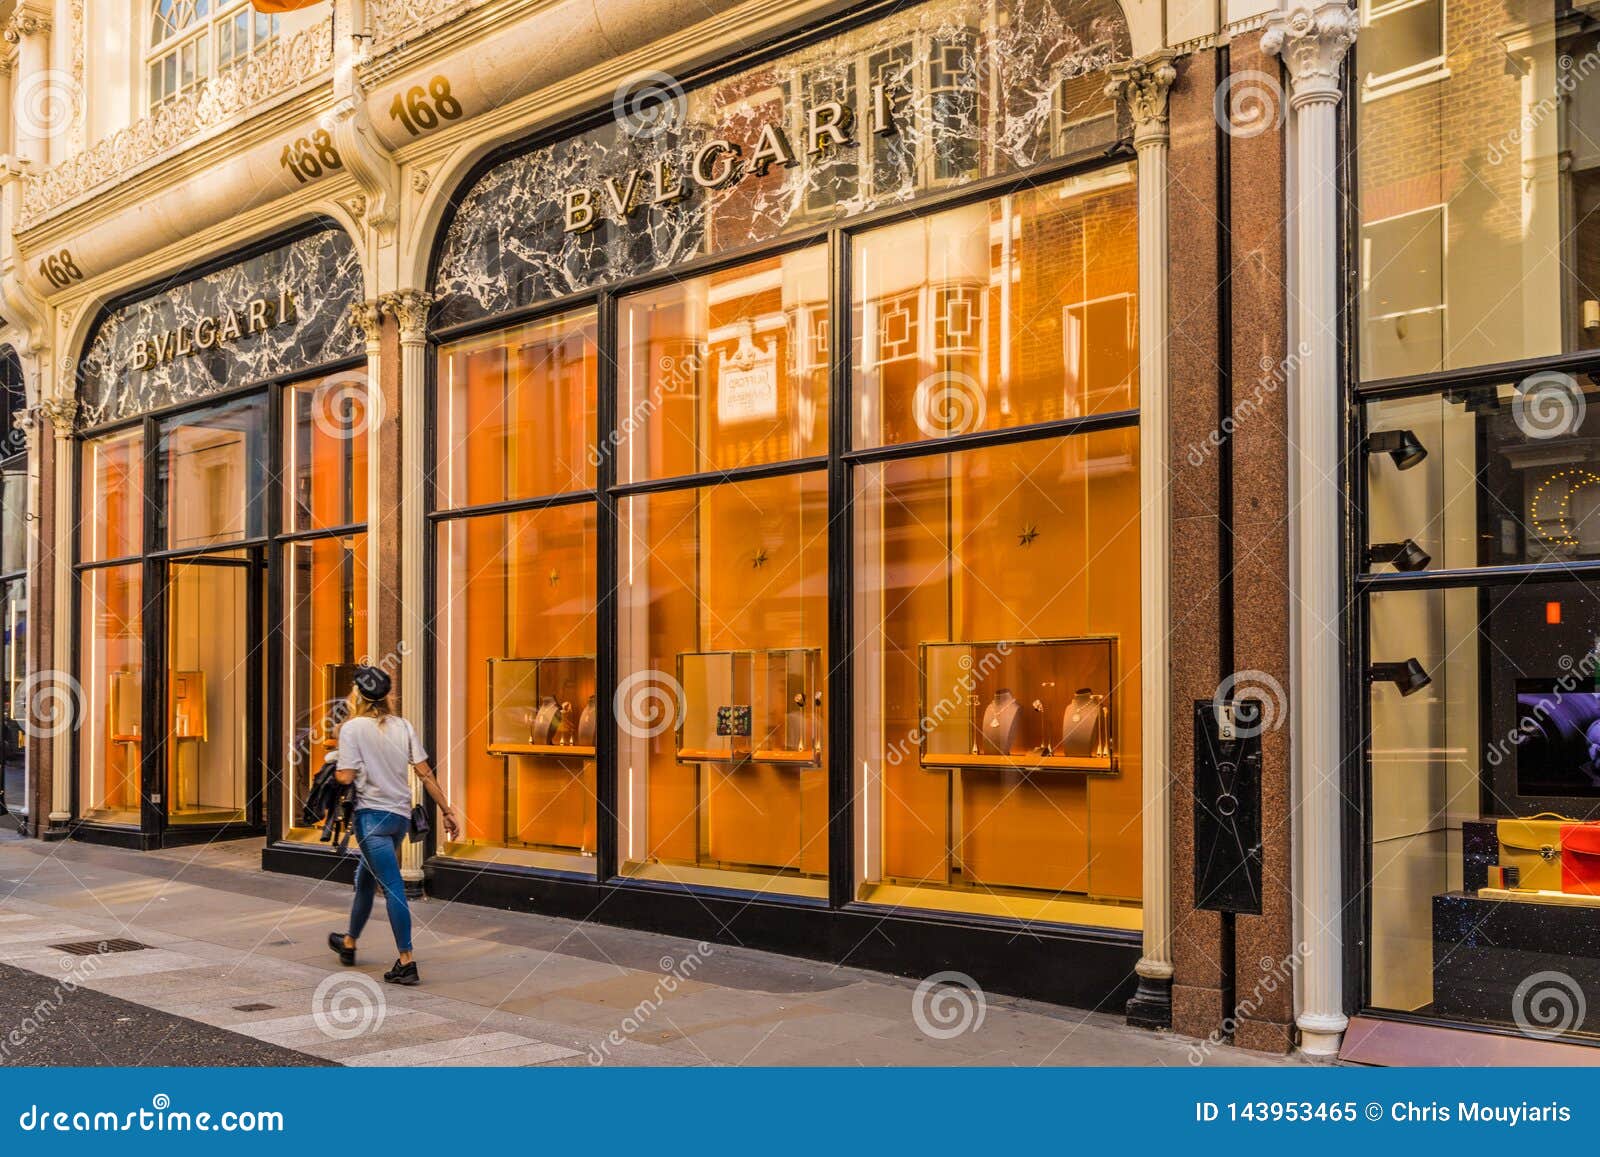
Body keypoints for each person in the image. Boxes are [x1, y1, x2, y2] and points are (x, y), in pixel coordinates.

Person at [327, 665, 461, 985]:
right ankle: (349, 943)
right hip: (398, 819)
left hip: (370, 818)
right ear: (387, 696)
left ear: (357, 695)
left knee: (392, 888)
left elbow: (345, 776)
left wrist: (334, 767)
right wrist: (447, 810)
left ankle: (406, 961)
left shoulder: (352, 729)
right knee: (364, 878)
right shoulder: (403, 726)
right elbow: (425, 773)